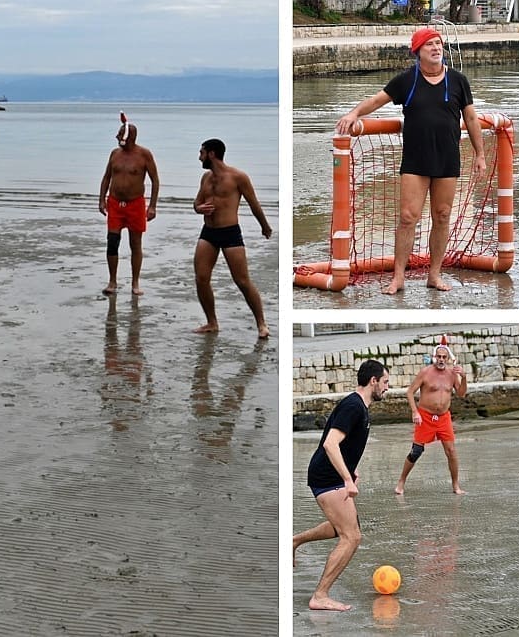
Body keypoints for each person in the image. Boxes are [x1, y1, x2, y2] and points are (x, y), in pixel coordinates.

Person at [335, 27, 486, 294]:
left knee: (442, 215)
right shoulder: (407, 80)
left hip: (447, 158)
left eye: (438, 43)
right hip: (415, 159)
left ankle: (434, 275)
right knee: (407, 217)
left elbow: (471, 119)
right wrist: (353, 114)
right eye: (429, 44)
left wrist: (480, 154)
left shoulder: (458, 80)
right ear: (417, 51)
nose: (436, 48)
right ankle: (398, 277)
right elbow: (377, 100)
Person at [293, 360, 390, 612]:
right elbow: (330, 443)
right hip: (327, 478)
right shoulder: (353, 406)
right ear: (373, 381)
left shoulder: (359, 406)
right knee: (352, 536)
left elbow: (342, 444)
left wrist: (350, 469)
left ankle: (294, 541)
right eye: (385, 382)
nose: (387, 388)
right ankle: (320, 596)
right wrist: (347, 479)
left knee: (343, 527)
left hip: (330, 475)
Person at [192, 138, 273, 339]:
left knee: (242, 281)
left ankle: (261, 323)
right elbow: (197, 203)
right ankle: (212, 322)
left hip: (230, 233)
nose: (199, 157)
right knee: (201, 278)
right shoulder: (206, 178)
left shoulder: (238, 177)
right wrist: (198, 208)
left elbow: (254, 204)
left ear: (212, 154)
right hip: (208, 233)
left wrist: (264, 226)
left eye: (202, 153)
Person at [395, 339, 468, 495]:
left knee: (451, 451)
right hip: (425, 416)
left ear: (448, 359)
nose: (441, 359)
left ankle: (456, 485)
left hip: (443, 417)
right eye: (438, 356)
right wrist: (415, 412)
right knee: (416, 451)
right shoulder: (425, 372)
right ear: (434, 357)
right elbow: (410, 392)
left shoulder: (452, 374)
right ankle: (401, 482)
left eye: (444, 357)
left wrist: (464, 377)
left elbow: (461, 394)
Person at [98, 112, 159, 296]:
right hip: (115, 203)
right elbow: (107, 177)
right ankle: (112, 281)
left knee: (135, 243)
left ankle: (135, 282)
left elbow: (155, 180)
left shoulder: (144, 155)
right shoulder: (115, 154)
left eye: (119, 135)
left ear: (129, 137)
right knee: (112, 242)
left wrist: (152, 206)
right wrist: (101, 199)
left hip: (135, 204)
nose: (116, 138)